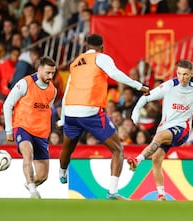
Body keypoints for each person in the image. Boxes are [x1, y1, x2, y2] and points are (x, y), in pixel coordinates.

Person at [57, 33, 149, 200]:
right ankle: (112, 192)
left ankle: (62, 171)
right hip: (90, 111)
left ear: (86, 46)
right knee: (117, 150)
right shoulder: (101, 57)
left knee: (68, 147)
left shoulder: (75, 62)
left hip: (70, 110)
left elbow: (67, 90)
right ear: (102, 47)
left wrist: (63, 117)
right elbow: (116, 74)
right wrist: (139, 86)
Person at [127, 59, 193, 200]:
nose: (182, 77)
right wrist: (136, 111)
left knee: (158, 137)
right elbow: (146, 97)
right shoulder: (169, 86)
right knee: (156, 160)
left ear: (191, 74)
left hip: (182, 130)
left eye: (185, 74)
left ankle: (137, 161)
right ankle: (161, 194)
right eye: (179, 73)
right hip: (166, 128)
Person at [3, 56, 58, 198]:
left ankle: (30, 183)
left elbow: (47, 111)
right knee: (28, 153)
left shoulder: (53, 90)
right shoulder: (25, 83)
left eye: (53, 73)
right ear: (39, 69)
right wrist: (9, 130)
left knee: (43, 175)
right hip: (23, 127)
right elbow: (8, 104)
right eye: (47, 72)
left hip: (41, 133)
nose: (50, 76)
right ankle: (33, 192)